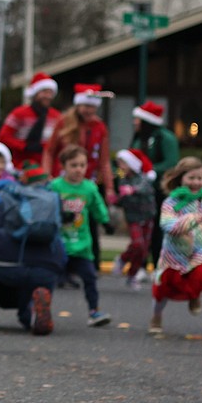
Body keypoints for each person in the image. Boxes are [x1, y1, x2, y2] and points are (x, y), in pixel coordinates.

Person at [0, 166, 66, 334]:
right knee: (33, 280)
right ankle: (30, 312)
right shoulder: (46, 202)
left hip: (5, 264)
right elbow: (60, 244)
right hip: (48, 266)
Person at [148, 156, 202, 335]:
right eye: (191, 178)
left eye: (199, 178)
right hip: (175, 252)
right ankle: (156, 316)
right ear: (181, 179)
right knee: (163, 286)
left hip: (201, 248)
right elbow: (170, 226)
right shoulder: (171, 202)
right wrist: (198, 217)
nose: (196, 182)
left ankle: (195, 295)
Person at [42, 83, 115, 264]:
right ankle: (60, 261)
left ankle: (90, 263)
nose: (90, 110)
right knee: (65, 221)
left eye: (93, 106)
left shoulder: (99, 127)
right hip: (65, 183)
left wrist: (110, 187)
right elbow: (49, 151)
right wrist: (46, 176)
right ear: (78, 105)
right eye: (86, 106)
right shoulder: (64, 123)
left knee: (89, 223)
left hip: (89, 183)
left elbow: (104, 159)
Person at [48, 145, 113, 327]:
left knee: (90, 278)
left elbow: (97, 206)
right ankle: (41, 309)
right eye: (73, 165)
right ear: (64, 166)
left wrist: (105, 221)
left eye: (82, 165)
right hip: (59, 244)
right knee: (49, 278)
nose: (78, 169)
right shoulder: (55, 186)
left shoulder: (89, 188)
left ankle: (94, 311)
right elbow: (47, 207)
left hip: (82, 244)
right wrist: (60, 214)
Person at [128, 100, 179, 274]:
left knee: (157, 229)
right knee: (140, 229)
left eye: (137, 119)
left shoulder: (164, 137)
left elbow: (171, 163)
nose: (135, 122)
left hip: (158, 191)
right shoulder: (139, 138)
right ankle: (140, 264)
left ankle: (158, 263)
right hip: (139, 191)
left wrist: (147, 170)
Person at [111, 148, 156, 291]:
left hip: (147, 216)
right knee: (137, 245)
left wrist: (133, 190)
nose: (120, 168)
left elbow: (145, 188)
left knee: (143, 250)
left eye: (122, 164)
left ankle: (132, 274)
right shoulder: (122, 180)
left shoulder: (143, 177)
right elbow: (123, 199)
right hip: (133, 218)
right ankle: (123, 259)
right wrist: (116, 200)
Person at [0, 72, 61, 170]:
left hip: (47, 167)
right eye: (44, 92)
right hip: (22, 165)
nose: (48, 96)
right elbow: (3, 136)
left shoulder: (56, 116)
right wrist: (24, 146)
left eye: (50, 92)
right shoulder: (19, 113)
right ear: (35, 93)